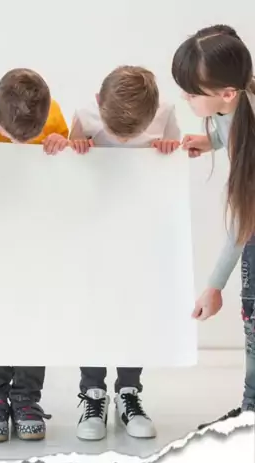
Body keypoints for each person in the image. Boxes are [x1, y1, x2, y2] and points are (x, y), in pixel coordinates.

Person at [0, 68, 70, 442]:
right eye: (11, 136)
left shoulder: (53, 115)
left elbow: (68, 161)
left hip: (36, 238)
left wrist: (61, 142)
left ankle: (26, 397)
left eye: (29, 139)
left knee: (33, 314)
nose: (21, 144)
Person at [70, 66, 181, 440]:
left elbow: (172, 166)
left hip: (141, 232)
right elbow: (70, 169)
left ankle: (129, 392)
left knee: (135, 307)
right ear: (99, 102)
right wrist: (76, 146)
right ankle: (92, 393)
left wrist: (167, 149)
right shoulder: (86, 115)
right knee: (94, 306)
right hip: (94, 230)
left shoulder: (164, 113)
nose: (122, 138)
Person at [172, 25, 255, 422]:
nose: (185, 98)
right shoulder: (236, 103)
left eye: (192, 93)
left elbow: (243, 222)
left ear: (226, 93)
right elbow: (230, 124)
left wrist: (214, 286)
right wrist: (212, 141)